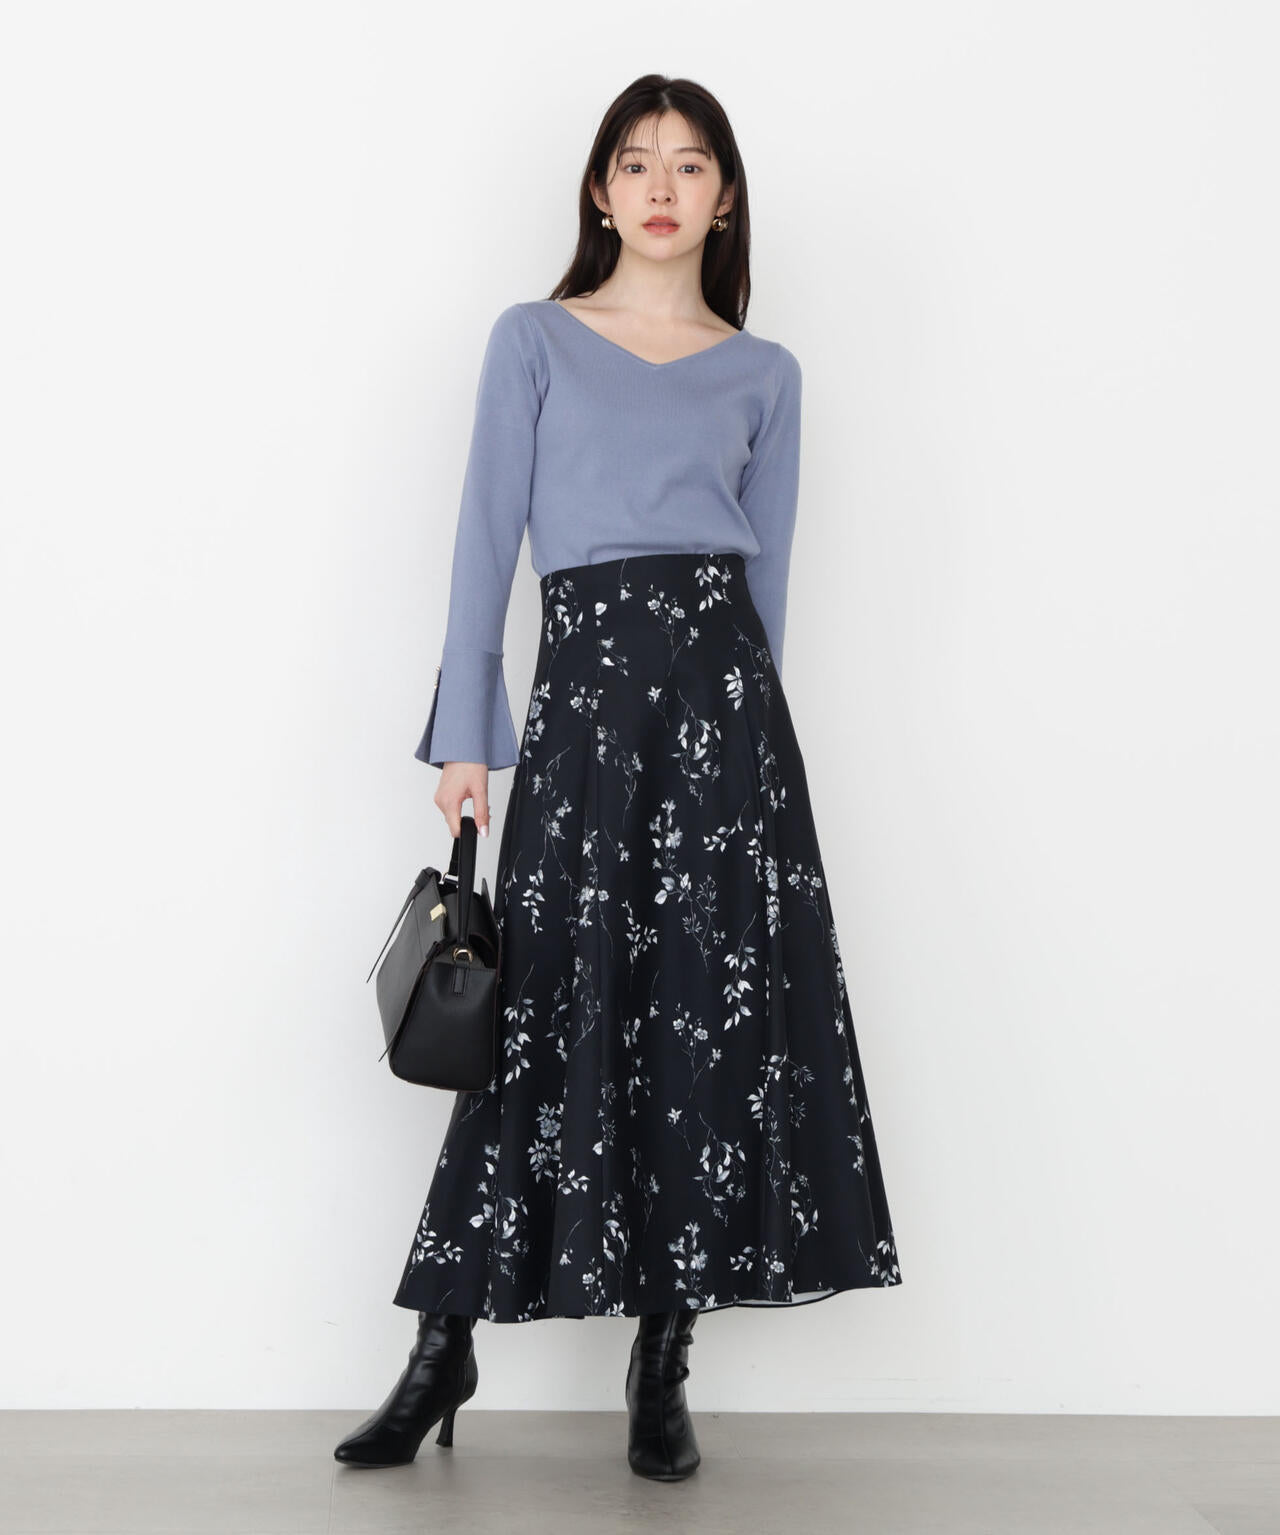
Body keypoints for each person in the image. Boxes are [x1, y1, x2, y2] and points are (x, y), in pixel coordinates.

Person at [335, 73, 903, 1483]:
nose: (661, 187)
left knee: (706, 1023)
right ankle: (442, 1344)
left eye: (690, 164)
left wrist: (752, 776)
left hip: (725, 725)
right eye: (637, 163)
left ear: (725, 198)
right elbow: (485, 541)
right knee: (537, 1021)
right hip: (584, 721)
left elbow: (767, 589)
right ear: (600, 190)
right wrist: (467, 736)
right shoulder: (533, 340)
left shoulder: (765, 374)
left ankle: (665, 1360)